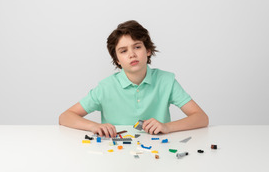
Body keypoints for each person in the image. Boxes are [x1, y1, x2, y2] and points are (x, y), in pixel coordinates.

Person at [59, 20, 209, 138]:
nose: (132, 54)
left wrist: (167, 127)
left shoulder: (166, 81)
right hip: (116, 153)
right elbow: (65, 116)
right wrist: (93, 126)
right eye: (123, 51)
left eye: (137, 47)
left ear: (148, 50)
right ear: (117, 60)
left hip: (157, 151)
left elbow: (202, 118)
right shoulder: (106, 87)